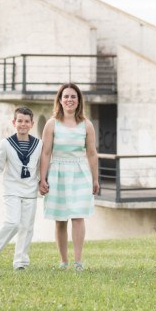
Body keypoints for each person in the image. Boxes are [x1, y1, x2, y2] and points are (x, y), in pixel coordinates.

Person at [39, 83, 99, 271]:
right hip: (58, 173)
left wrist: (95, 179)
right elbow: (46, 152)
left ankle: (78, 261)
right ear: (60, 100)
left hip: (80, 174)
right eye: (66, 96)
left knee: (78, 216)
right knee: (60, 219)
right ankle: (63, 261)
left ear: (79, 100)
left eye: (73, 97)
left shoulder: (86, 125)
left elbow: (91, 153)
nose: (70, 100)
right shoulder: (52, 123)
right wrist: (42, 178)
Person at [0, 107, 43, 270]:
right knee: (12, 222)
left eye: (26, 121)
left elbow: (40, 167)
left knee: (27, 227)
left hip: (30, 191)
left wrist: (43, 182)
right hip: (12, 191)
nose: (23, 124)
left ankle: (20, 263)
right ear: (14, 123)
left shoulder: (38, 144)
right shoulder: (6, 144)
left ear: (32, 124)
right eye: (20, 121)